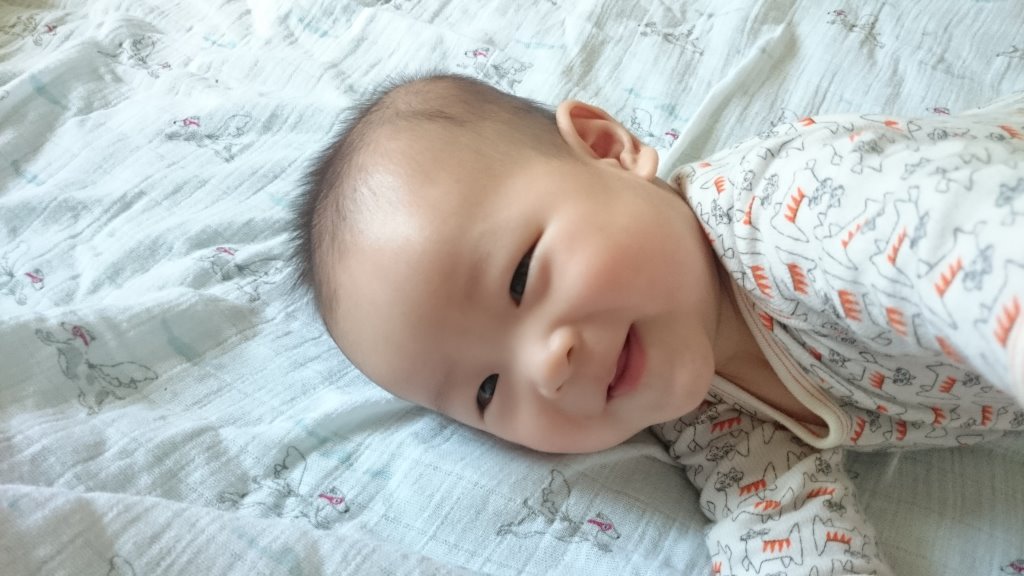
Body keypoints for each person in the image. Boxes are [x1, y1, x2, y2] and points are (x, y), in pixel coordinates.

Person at [291, 73, 1024, 575]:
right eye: (487, 389)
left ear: (607, 149)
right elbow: (777, 518)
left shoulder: (800, 208)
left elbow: (969, 244)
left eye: (521, 276)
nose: (546, 367)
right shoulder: (702, 408)